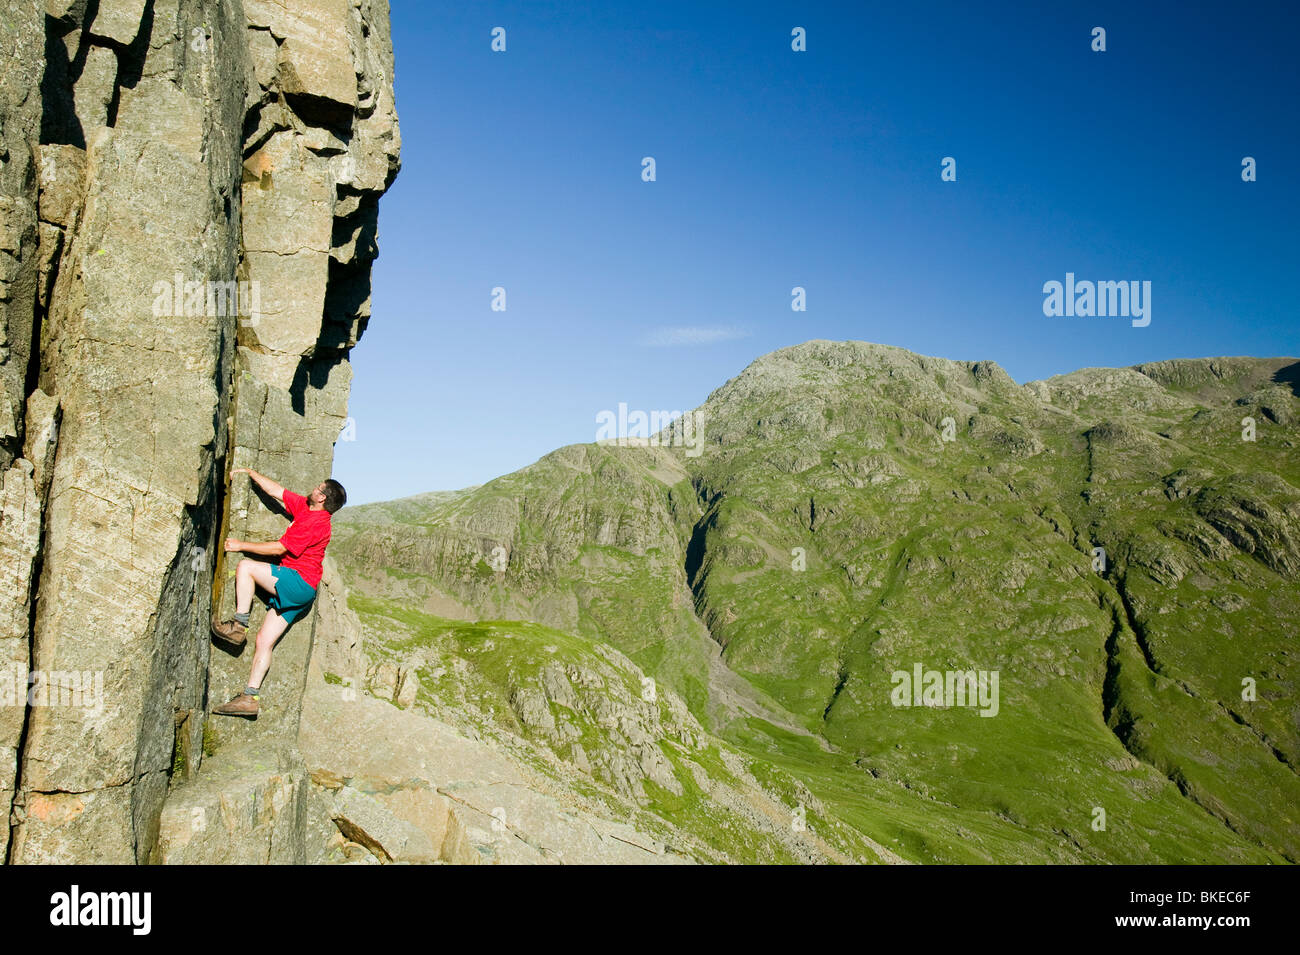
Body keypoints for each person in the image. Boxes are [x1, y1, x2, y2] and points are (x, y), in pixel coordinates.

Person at [209, 468, 346, 718]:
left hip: (297, 582)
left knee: (246, 567)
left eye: (318, 488)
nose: (313, 488)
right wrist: (249, 472)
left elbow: (279, 548)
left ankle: (238, 626)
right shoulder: (307, 508)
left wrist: (241, 545)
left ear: (322, 497)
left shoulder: (316, 523)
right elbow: (277, 492)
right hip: (304, 591)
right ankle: (250, 697)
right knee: (264, 641)